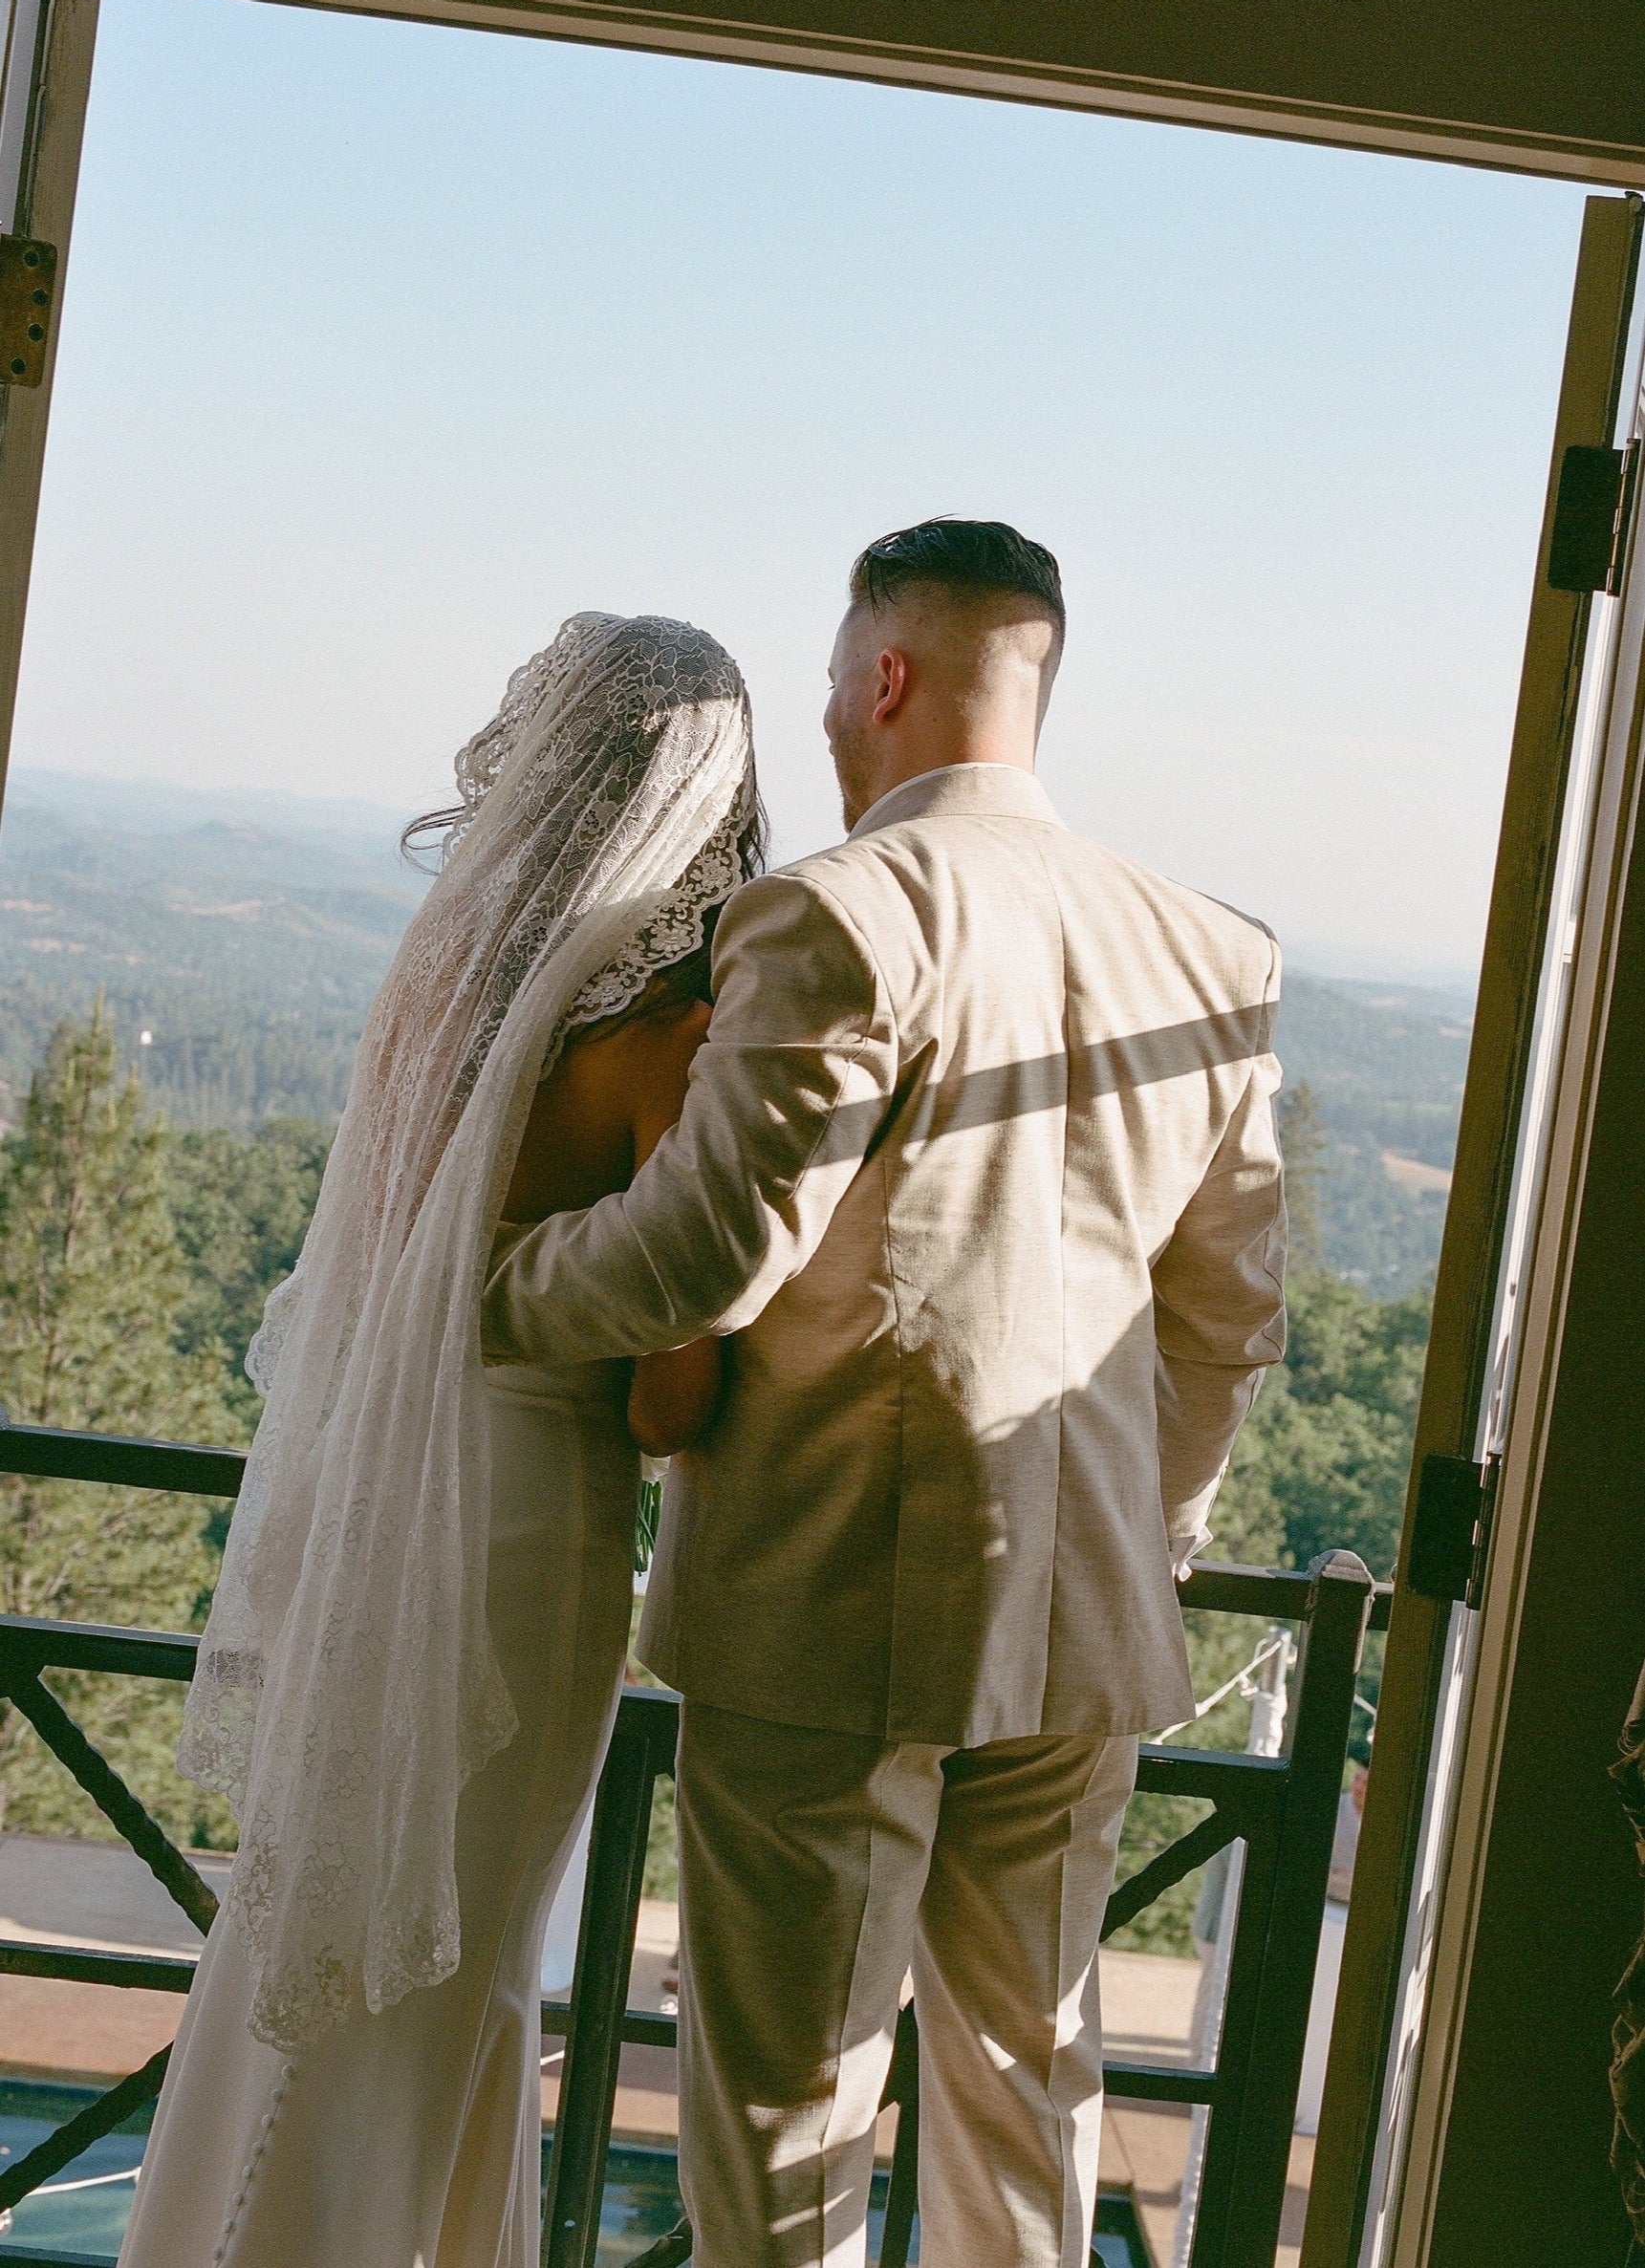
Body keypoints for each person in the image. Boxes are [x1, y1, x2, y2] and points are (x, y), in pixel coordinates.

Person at [484, 520, 1288, 2268]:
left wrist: (471, 1300)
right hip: (1084, 1607)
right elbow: (1227, 1321)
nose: (836, 729)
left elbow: (696, 1259)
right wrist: (1153, 1530)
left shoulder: (838, 911)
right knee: (1029, 2084)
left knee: (785, 2115)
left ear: (885, 675)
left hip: (827, 1588)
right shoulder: (1212, 954)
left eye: (840, 687)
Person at [118, 614, 762, 2268]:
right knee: (458, 1960)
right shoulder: (669, 1044)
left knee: (311, 1929)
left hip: (381, 1509)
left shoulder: (446, 1001)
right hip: (527, 1525)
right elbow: (670, 1395)